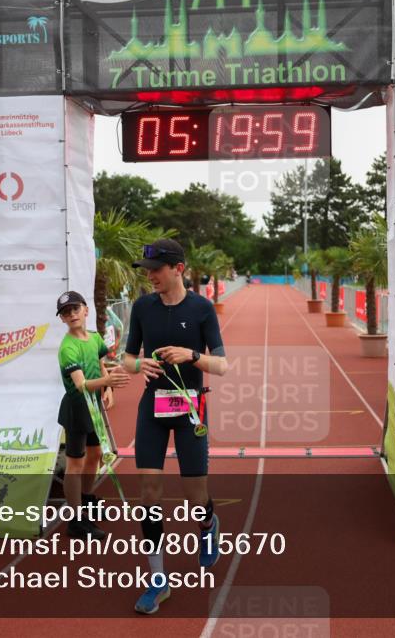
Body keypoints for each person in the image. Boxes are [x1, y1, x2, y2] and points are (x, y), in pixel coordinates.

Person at [122, 238, 228, 615]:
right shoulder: (142, 307)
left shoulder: (201, 309)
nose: (150, 276)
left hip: (191, 410)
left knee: (194, 496)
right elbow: (127, 357)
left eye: (156, 269)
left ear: (178, 269)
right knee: (148, 492)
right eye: (147, 270)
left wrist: (192, 356)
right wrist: (139, 367)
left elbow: (222, 365)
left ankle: (208, 524)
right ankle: (157, 580)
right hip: (152, 406)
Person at [55, 291, 130, 540]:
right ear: (62, 319)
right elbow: (81, 385)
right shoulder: (68, 348)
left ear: (86, 310)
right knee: (75, 463)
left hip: (93, 409)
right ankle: (75, 521)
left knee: (96, 454)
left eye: (75, 309)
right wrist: (107, 380)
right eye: (66, 312)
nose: (72, 314)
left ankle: (86, 501)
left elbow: (99, 365)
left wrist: (107, 387)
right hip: (77, 410)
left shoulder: (95, 338)